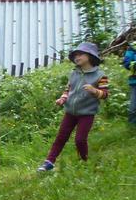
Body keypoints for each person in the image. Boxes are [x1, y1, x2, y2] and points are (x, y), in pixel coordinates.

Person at [37, 42, 109, 172]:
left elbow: (105, 94)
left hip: (87, 113)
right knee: (61, 137)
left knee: (80, 140)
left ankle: (84, 161)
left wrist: (94, 91)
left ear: (90, 56)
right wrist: (63, 99)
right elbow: (68, 89)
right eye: (75, 55)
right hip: (70, 112)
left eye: (80, 54)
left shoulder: (100, 75)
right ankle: (49, 162)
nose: (77, 57)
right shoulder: (74, 73)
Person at [123, 44, 136, 127]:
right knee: (133, 108)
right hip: (135, 82)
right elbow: (127, 63)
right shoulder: (132, 47)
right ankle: (131, 127)